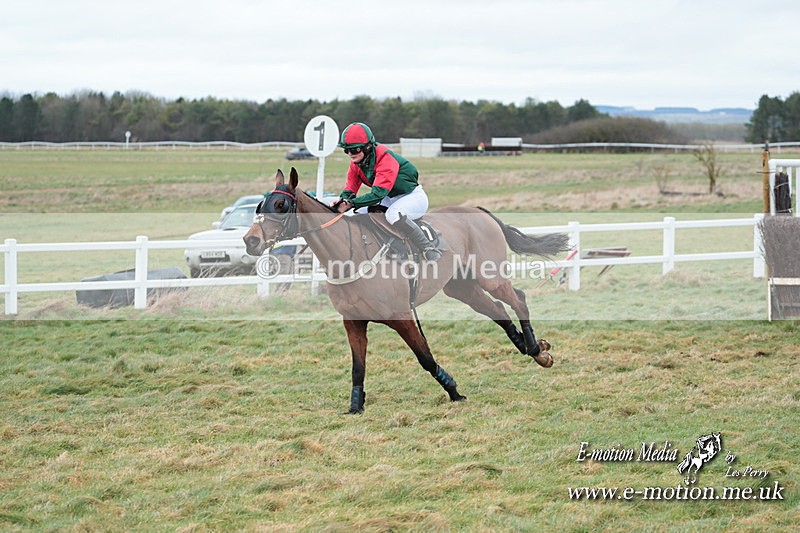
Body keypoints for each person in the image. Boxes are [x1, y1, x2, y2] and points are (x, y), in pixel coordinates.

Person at [334, 122, 442, 261]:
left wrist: (352, 203)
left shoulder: (385, 158)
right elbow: (350, 187)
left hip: (412, 197)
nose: (350, 154)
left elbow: (378, 194)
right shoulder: (357, 163)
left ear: (367, 147)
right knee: (357, 212)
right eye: (346, 150)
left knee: (392, 215)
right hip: (389, 198)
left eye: (354, 150)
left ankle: (428, 248)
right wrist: (343, 201)